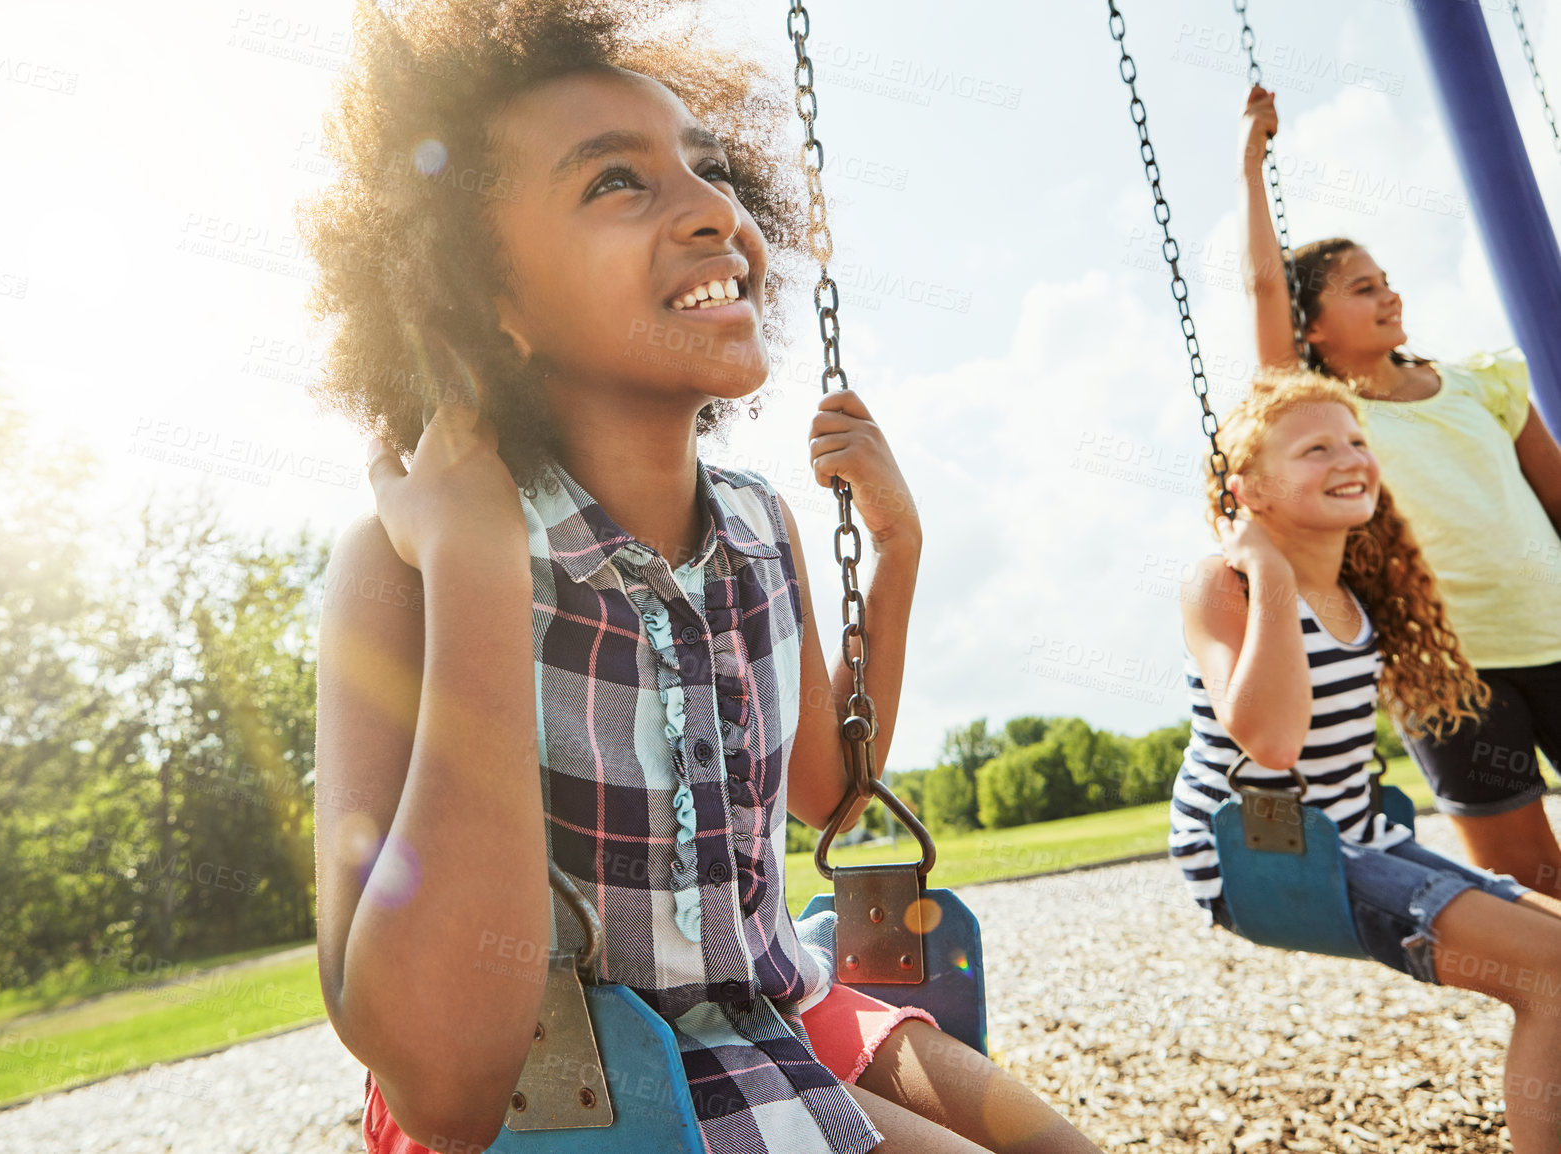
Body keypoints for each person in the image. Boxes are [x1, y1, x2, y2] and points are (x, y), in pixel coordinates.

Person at [303, 2, 1102, 1151]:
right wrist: (476, 567)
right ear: (492, 305)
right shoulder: (402, 563)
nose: (714, 211)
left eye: (709, 167)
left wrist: (896, 557)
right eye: (613, 183)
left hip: (779, 1004)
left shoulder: (760, 526)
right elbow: (443, 1085)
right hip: (585, 1074)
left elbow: (831, 790)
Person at [1169, 367, 1561, 1151]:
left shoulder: (1359, 590)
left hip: (1354, 833)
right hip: (1255, 852)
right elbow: (1272, 743)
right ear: (1249, 491)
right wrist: (1273, 574)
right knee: (1553, 974)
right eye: (1316, 448)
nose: (1349, 457)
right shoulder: (1226, 584)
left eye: (1356, 440)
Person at [1236, 83, 1561, 901]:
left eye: (1387, 280)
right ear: (1312, 330)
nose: (1390, 295)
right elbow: (1263, 291)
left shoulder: (1481, 383)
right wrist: (1251, 166)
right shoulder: (1324, 416)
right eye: (1362, 287)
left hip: (1554, 627)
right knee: (1533, 882)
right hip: (1446, 668)